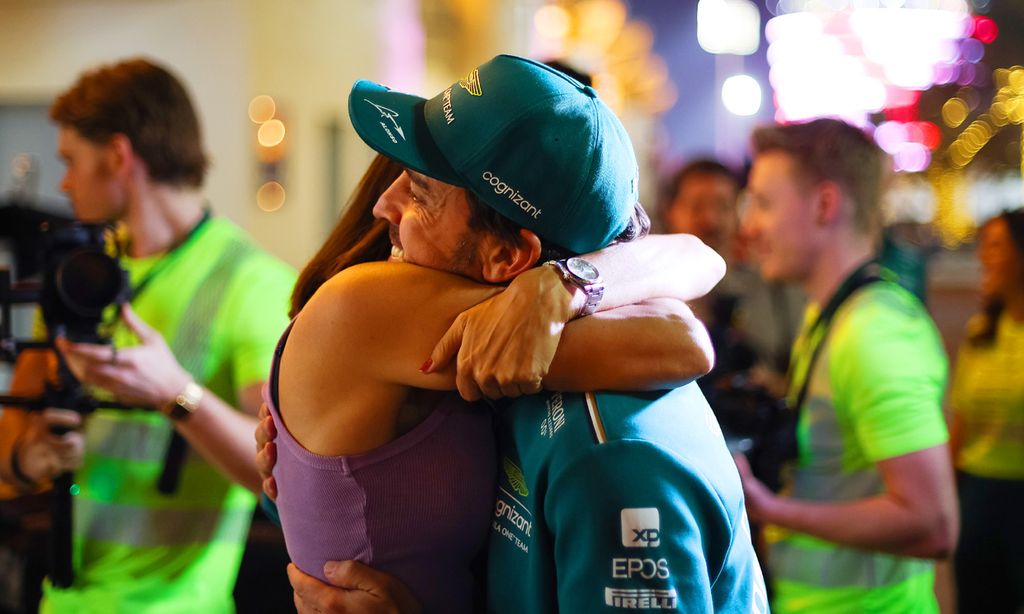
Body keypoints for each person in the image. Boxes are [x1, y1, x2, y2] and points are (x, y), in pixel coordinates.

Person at [261, 54, 766, 613]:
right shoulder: (395, 310)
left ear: (508, 256)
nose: (384, 204)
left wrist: (562, 286)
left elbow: (683, 338)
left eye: (420, 193)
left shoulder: (607, 445)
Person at [0, 58, 295, 612]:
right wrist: (29, 457)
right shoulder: (75, 277)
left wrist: (174, 394)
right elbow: (6, 457)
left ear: (117, 155)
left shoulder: (252, 283)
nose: (62, 182)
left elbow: (283, 475)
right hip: (58, 601)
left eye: (70, 161)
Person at [734, 118, 958, 613]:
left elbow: (934, 525)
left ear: (825, 205)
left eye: (765, 204)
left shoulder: (874, 334)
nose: (748, 226)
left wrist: (772, 510)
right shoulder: (834, 312)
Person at [661, 158, 803, 397]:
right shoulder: (655, 292)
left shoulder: (773, 284)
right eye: (697, 207)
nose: (711, 220)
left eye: (723, 206)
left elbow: (804, 380)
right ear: (670, 212)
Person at [949, 209, 1024, 614]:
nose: (983, 256)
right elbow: (961, 424)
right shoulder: (981, 332)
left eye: (996, 245)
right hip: (978, 496)